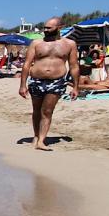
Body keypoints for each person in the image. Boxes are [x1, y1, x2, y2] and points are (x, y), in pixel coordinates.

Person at [19, 17, 80, 151]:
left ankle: (41, 140)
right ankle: (36, 136)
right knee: (36, 110)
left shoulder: (69, 44)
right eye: (45, 28)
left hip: (57, 81)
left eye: (49, 28)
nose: (45, 30)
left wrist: (76, 87)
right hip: (36, 80)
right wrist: (22, 85)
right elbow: (27, 64)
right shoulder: (36, 43)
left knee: (47, 111)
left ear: (59, 28)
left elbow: (74, 66)